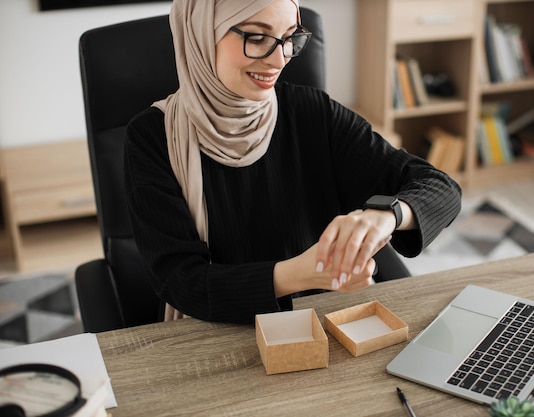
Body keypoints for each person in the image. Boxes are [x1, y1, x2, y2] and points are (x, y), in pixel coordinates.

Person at [124, 0, 462, 324]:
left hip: (323, 314)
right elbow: (180, 280)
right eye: (257, 38)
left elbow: (440, 188)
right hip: (215, 326)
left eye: (289, 37)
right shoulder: (153, 137)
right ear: (201, 33)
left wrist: (388, 216)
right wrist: (299, 273)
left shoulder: (312, 111)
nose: (279, 59)